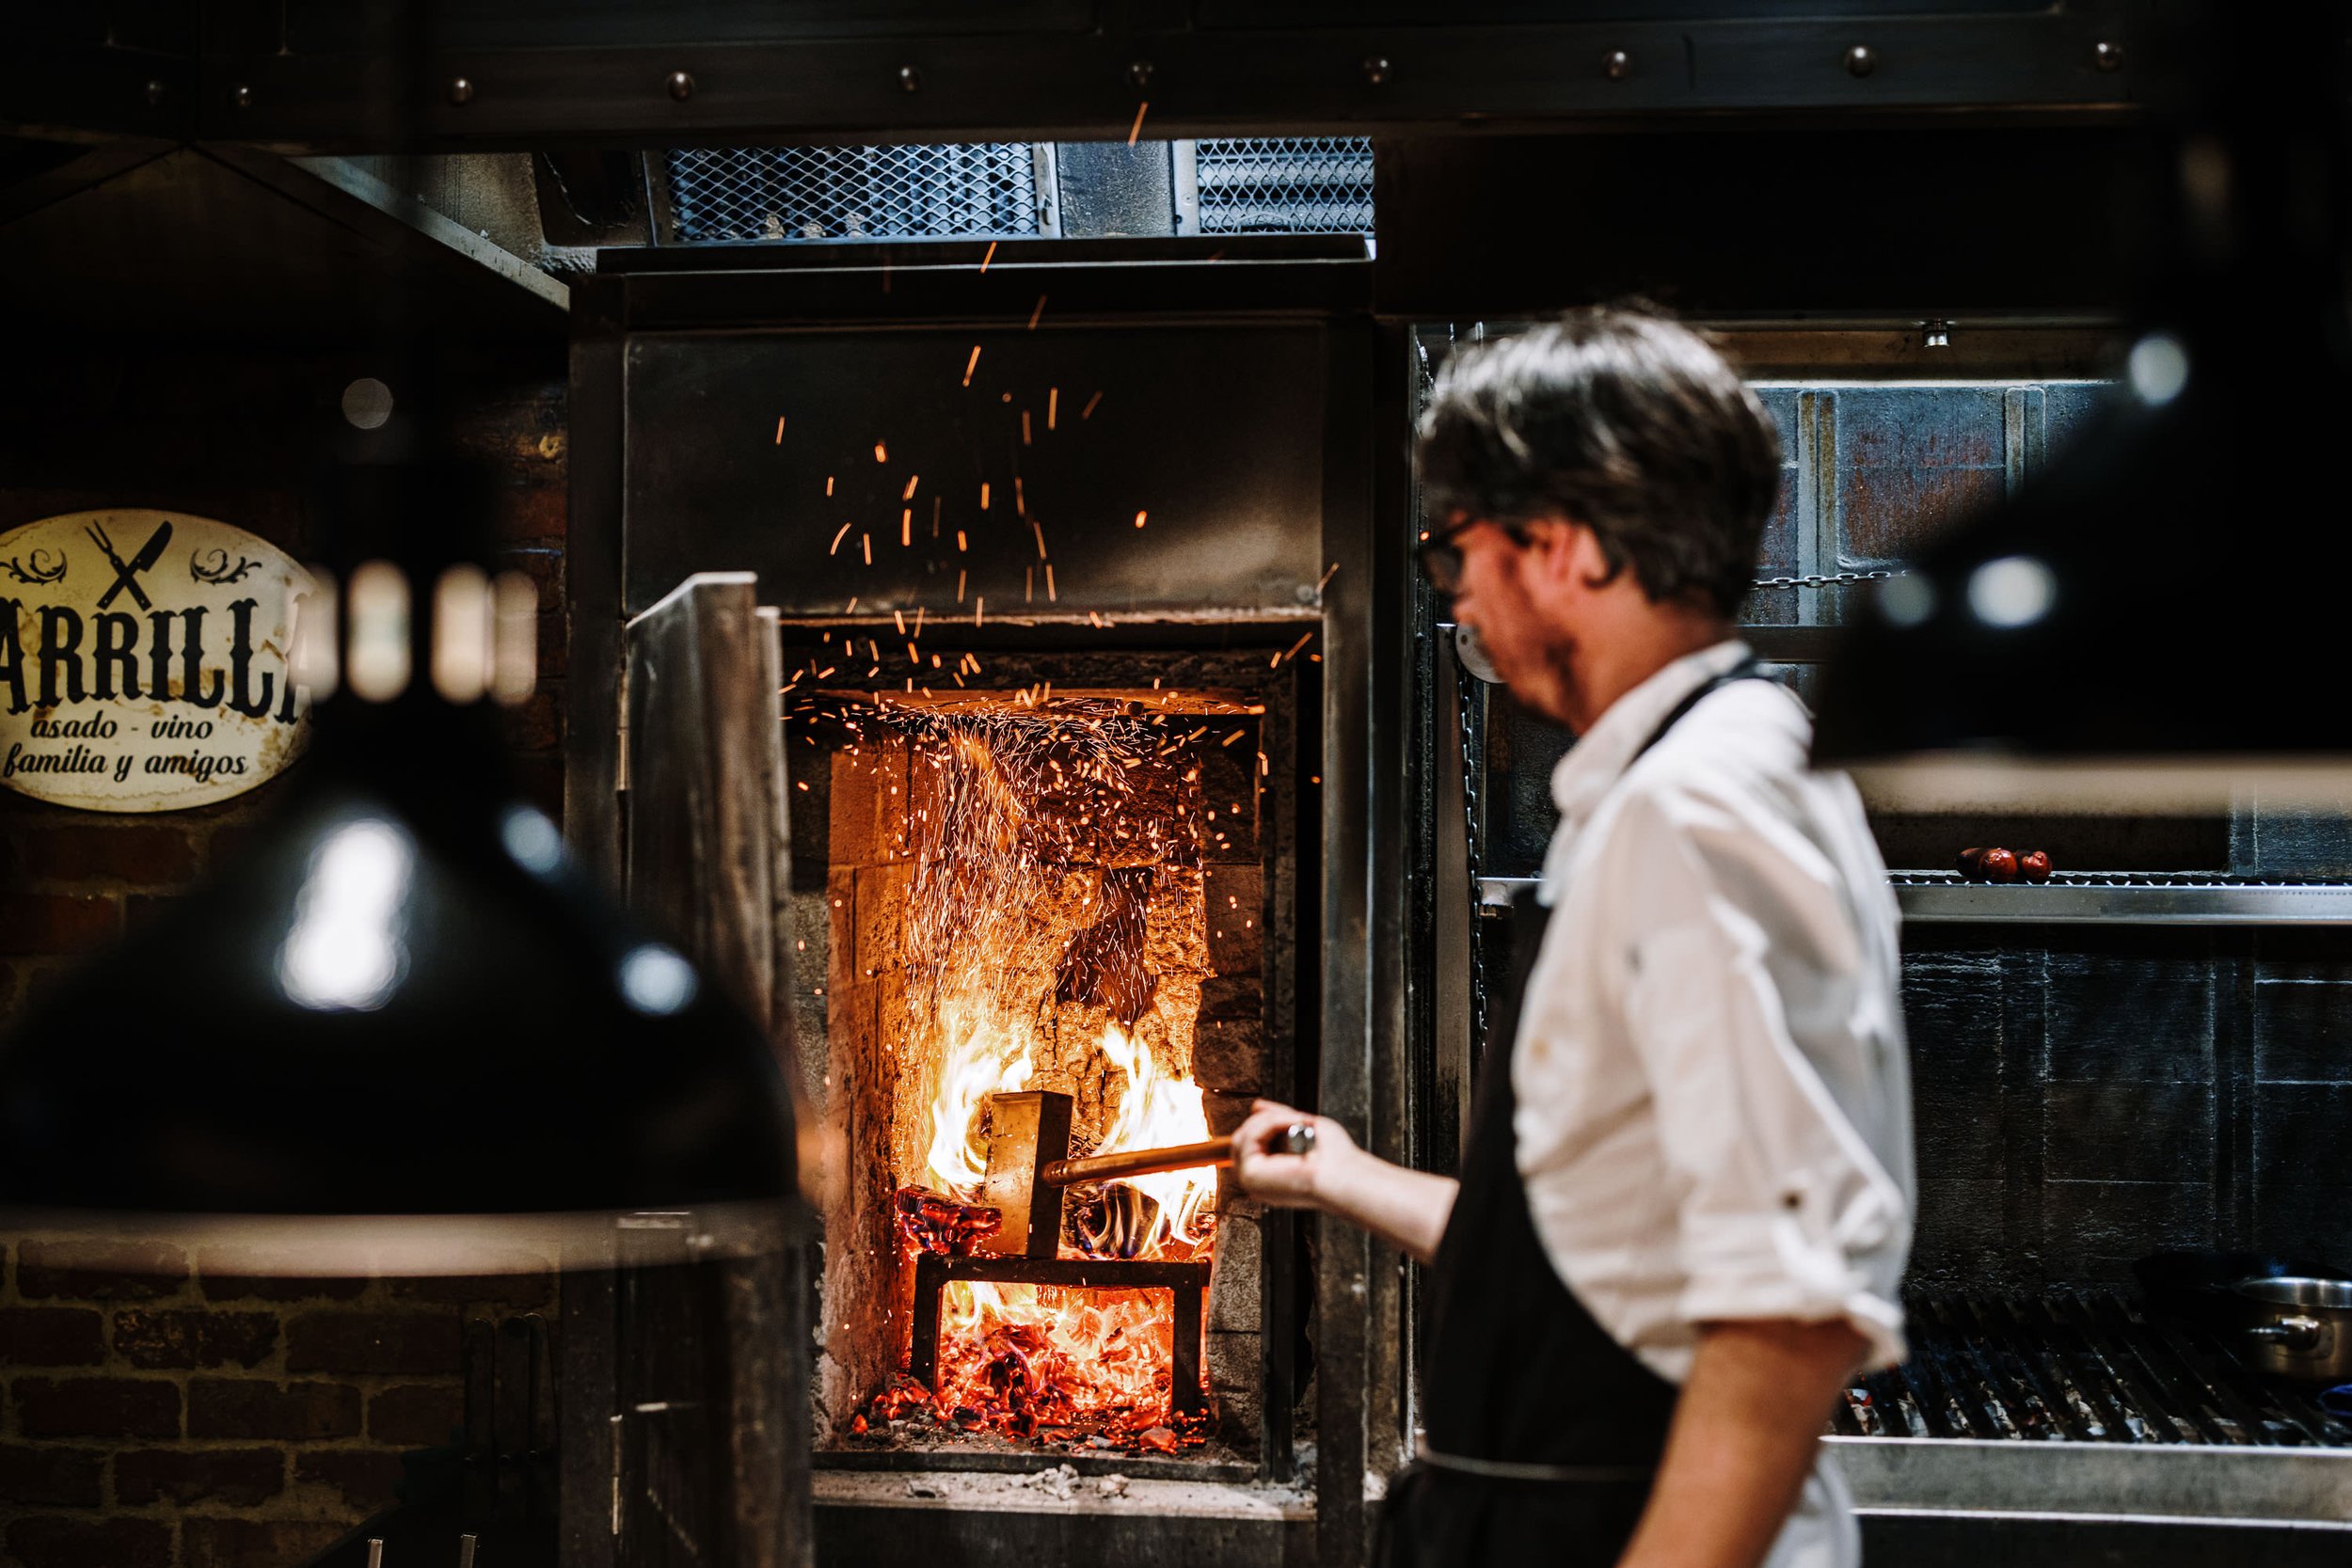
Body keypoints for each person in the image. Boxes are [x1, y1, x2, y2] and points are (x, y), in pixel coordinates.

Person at [1233, 309, 1914, 1568]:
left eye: (1462, 553)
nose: (1462, 600)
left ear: (1569, 548)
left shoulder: (1692, 813)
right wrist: (1339, 1173)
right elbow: (1613, 1250)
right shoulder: (1716, 770)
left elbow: (1790, 1315)